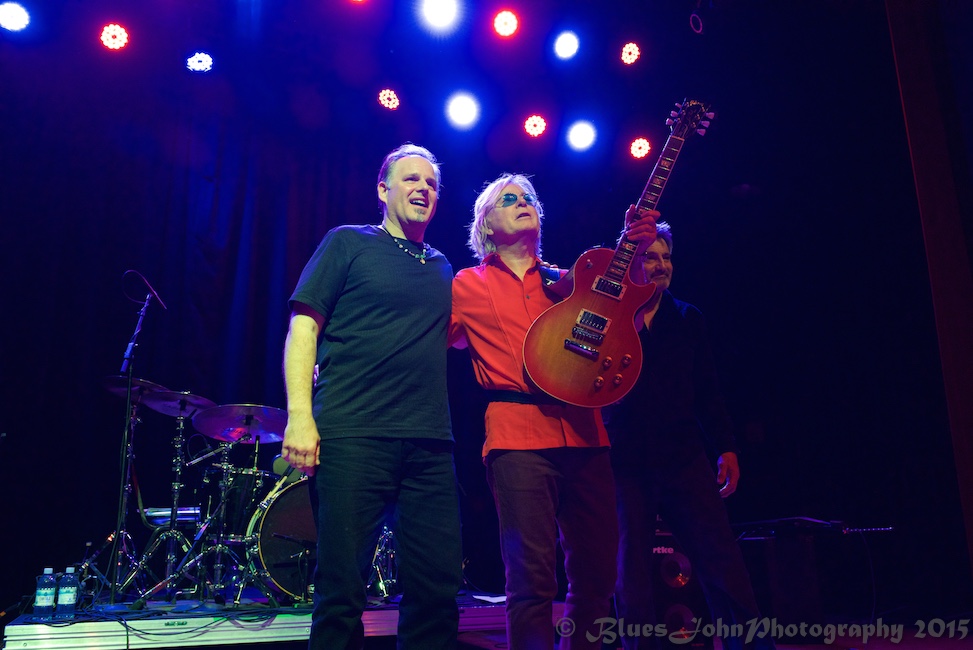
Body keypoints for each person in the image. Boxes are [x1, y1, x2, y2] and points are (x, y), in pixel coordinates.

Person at [448, 172, 657, 649]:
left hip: (587, 435)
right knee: (530, 580)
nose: (523, 202)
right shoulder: (466, 284)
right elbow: (424, 341)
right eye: (509, 200)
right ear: (486, 226)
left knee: (600, 575)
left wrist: (638, 256)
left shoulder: (570, 281)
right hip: (516, 438)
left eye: (529, 198)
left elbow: (630, 323)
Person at [281, 143, 463, 650]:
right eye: (410, 179)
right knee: (341, 592)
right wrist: (300, 417)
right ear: (382, 190)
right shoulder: (348, 243)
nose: (423, 188)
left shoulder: (443, 266)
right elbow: (303, 329)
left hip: (429, 445)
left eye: (431, 183)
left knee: (436, 592)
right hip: (353, 436)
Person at [607, 221, 773, 650]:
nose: (660, 265)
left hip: (684, 458)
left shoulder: (687, 317)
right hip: (625, 463)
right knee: (631, 575)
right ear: (630, 264)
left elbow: (708, 392)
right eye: (649, 257)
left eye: (666, 257)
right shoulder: (609, 316)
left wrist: (727, 448)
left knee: (723, 562)